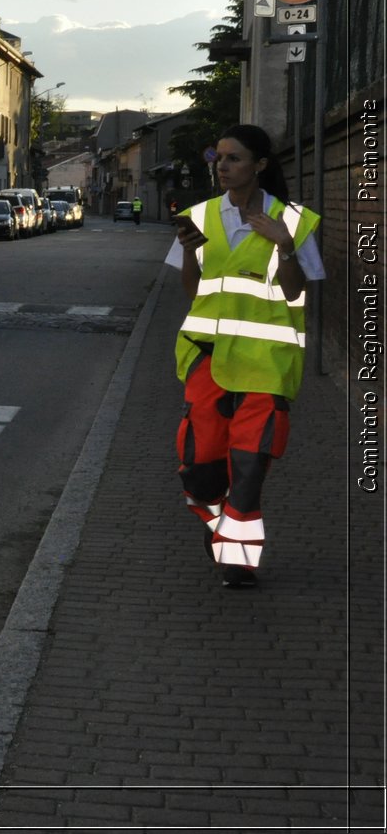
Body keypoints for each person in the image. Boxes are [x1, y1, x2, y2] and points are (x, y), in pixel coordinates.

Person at [164, 124, 323, 588]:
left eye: (234, 159)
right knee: (200, 472)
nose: (224, 167)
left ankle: (236, 560)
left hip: (267, 361)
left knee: (250, 467)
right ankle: (219, 528)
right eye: (219, 159)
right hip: (207, 357)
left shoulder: (293, 220)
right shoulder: (199, 217)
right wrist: (192, 255)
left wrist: (285, 246)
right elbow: (194, 293)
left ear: (260, 165)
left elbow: (296, 295)